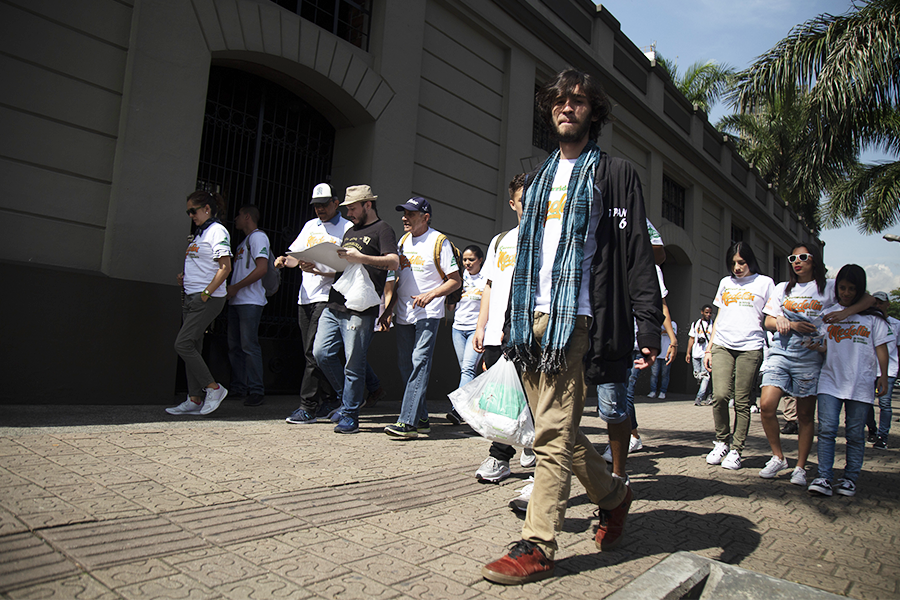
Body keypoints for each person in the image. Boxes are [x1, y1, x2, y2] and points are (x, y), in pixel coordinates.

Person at [481, 69, 663, 585]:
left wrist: (647, 326)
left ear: (594, 113)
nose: (567, 108)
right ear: (550, 110)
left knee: (554, 433)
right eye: (560, 101)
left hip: (578, 318)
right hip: (528, 319)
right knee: (551, 431)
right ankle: (614, 495)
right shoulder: (538, 177)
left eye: (579, 102)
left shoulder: (614, 173)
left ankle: (538, 545)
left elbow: (634, 255)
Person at [758, 244, 873, 485]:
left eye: (803, 257)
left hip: (810, 356)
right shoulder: (782, 288)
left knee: (805, 415)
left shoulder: (829, 287)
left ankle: (800, 467)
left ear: (814, 260)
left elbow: (868, 299)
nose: (797, 262)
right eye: (793, 258)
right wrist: (782, 320)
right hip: (781, 351)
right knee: (767, 406)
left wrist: (845, 313)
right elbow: (767, 320)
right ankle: (778, 457)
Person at [313, 185, 399, 434]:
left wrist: (361, 257)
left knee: (354, 362)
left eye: (352, 208)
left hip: (361, 307)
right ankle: (347, 400)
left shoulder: (383, 229)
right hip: (336, 301)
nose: (349, 213)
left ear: (367, 205)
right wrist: (320, 266)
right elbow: (345, 266)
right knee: (321, 353)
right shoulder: (350, 231)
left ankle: (350, 413)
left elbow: (393, 261)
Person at [472, 174, 536, 483]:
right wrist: (481, 326)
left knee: (527, 394)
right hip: (498, 331)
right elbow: (489, 286)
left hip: (530, 331)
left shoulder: (546, 237)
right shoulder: (501, 241)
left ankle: (500, 456)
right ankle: (526, 441)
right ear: (513, 203)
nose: (529, 204)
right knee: (504, 399)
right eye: (523, 199)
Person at [381, 197, 462, 438]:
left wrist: (431, 295)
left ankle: (407, 423)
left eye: (411, 214)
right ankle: (422, 416)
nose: (405, 218)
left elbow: (455, 280)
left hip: (428, 314)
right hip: (404, 313)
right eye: (404, 213)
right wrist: (388, 309)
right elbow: (396, 278)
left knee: (419, 362)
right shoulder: (404, 240)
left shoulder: (439, 242)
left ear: (425, 217)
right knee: (405, 365)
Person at [809, 265, 890, 497]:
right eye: (842, 288)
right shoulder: (830, 313)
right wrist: (818, 347)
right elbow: (827, 345)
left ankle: (850, 478)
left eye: (851, 289)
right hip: (830, 381)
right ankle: (824, 477)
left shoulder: (873, 319)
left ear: (859, 289)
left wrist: (883, 376)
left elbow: (881, 348)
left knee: (855, 434)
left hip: (861, 383)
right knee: (826, 430)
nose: (845, 293)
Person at [277, 183, 353, 424]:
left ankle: (307, 406)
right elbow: (296, 255)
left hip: (328, 298)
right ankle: (332, 397)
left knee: (314, 352)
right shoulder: (311, 225)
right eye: (316, 205)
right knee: (315, 354)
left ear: (335, 202)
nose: (319, 209)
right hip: (305, 296)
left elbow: (349, 267)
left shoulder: (347, 227)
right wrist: (284, 260)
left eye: (323, 204)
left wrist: (320, 270)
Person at [703, 241, 775, 470]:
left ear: (750, 261)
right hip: (722, 344)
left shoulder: (765, 283)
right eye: (733, 263)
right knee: (720, 395)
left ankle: (736, 450)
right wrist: (708, 348)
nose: (737, 267)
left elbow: (772, 314)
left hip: (750, 346)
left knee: (742, 401)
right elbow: (719, 316)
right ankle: (721, 441)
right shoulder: (725, 283)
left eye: (741, 262)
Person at [167, 190, 232, 416]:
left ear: (207, 209)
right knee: (193, 346)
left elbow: (225, 267)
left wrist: (206, 292)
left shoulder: (217, 231)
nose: (190, 215)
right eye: (188, 211)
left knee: (182, 344)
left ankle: (213, 388)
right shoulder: (199, 233)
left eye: (193, 211)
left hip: (207, 298)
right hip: (191, 295)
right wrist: (185, 277)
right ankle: (194, 398)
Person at [225, 205, 269, 407]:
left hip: (250, 301)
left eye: (239, 215)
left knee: (249, 345)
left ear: (247, 216)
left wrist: (236, 287)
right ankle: (239, 386)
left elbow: (262, 269)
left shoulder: (258, 237)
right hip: (237, 300)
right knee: (236, 346)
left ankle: (256, 389)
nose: (235, 219)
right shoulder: (243, 243)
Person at [866, 291, 898, 449]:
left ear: (887, 304)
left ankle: (882, 436)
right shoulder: (868, 321)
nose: (877, 305)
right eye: (875, 302)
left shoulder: (895, 324)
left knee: (884, 404)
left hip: (889, 369)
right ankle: (872, 429)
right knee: (866, 403)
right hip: (870, 368)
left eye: (880, 302)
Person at [451, 245, 486, 389]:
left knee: (468, 369)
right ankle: (473, 403)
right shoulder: (458, 278)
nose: (467, 263)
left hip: (475, 330)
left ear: (480, 260)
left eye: (471, 259)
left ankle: (457, 409)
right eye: (464, 260)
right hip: (457, 329)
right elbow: (450, 307)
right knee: (465, 370)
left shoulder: (486, 280)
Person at [686, 304, 714, 406]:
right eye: (706, 312)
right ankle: (710, 394)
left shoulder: (713, 325)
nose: (709, 314)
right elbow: (691, 338)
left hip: (706, 354)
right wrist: (688, 353)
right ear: (702, 312)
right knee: (698, 375)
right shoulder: (696, 324)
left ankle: (699, 397)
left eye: (710, 313)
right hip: (696, 353)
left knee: (705, 375)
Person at [648, 319, 676, 398]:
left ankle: (663, 391)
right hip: (657, 353)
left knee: (665, 374)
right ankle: (653, 391)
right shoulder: (657, 323)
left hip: (667, 354)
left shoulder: (672, 324)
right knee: (654, 374)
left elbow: (673, 336)